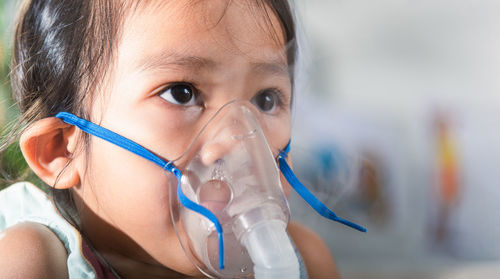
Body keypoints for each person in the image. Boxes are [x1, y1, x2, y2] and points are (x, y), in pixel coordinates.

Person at [0, 0, 345, 278]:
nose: (239, 144)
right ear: (59, 150)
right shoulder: (36, 262)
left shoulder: (307, 262)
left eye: (265, 100)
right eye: (182, 93)